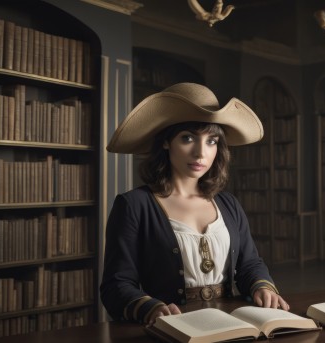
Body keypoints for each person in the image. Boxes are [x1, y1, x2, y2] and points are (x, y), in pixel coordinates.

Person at [100, 82, 289, 325]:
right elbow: (116, 285)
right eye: (188, 138)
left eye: (211, 141)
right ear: (167, 141)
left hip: (230, 324)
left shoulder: (228, 204)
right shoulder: (134, 206)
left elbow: (249, 263)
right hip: (173, 329)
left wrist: (263, 287)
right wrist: (149, 308)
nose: (201, 153)